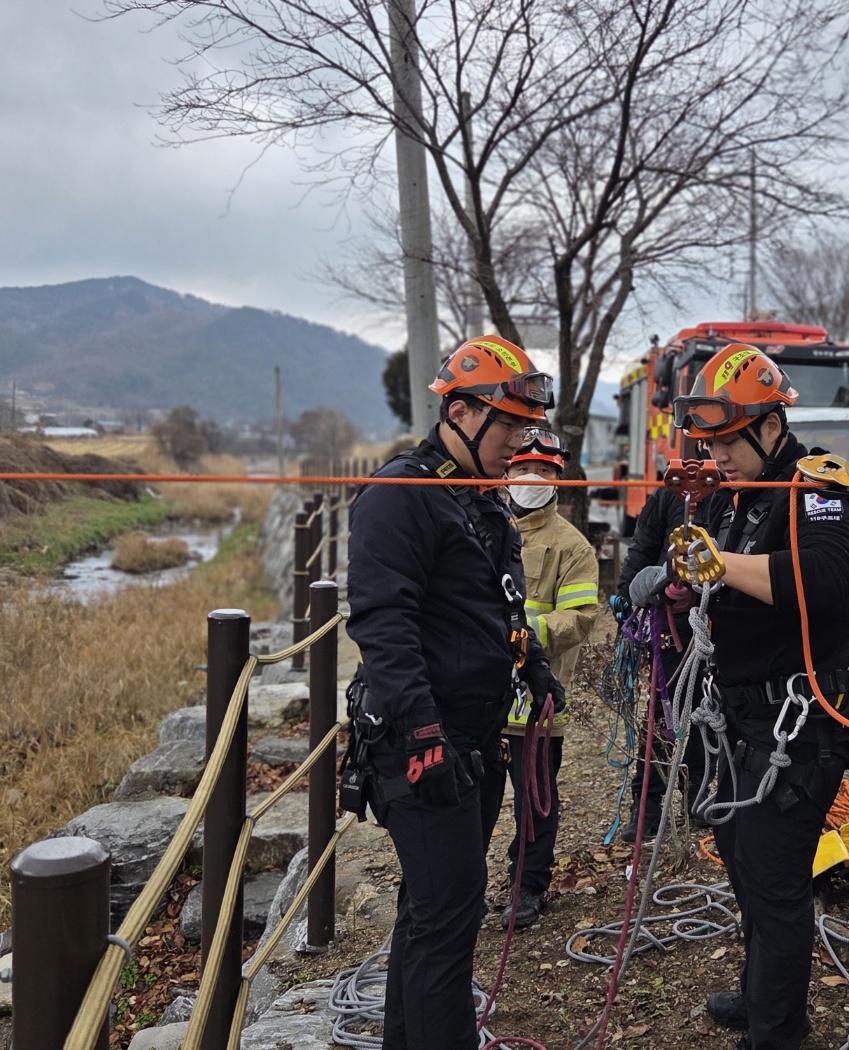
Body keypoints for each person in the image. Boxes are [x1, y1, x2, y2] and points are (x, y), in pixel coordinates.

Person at [344, 335, 566, 1050]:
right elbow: (384, 624)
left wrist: (528, 659)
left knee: (432, 909)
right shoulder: (401, 497)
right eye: (509, 428)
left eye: (527, 429)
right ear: (464, 413)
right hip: (421, 740)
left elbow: (490, 603)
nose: (519, 444)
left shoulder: (476, 498)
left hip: (471, 735)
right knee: (447, 920)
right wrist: (424, 735)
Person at [673, 344, 849, 1050]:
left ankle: (778, 1031)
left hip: (798, 722)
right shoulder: (733, 496)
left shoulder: (815, 490)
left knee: (778, 880)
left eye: (729, 440)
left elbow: (828, 581)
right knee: (742, 861)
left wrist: (721, 564)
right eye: (711, 442)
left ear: (768, 425)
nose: (719, 454)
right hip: (737, 717)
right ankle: (764, 993)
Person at [497, 428, 600, 929]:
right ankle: (462, 885)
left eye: (543, 471)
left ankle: (529, 885)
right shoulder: (483, 527)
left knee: (535, 800)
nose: (530, 479)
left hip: (534, 702)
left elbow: (580, 618)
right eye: (522, 469)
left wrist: (519, 632)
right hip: (476, 698)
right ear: (505, 472)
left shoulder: (571, 547)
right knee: (472, 800)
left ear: (559, 480)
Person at [615, 484, 712, 842]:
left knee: (707, 717)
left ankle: (697, 798)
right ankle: (645, 807)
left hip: (717, 621)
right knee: (661, 714)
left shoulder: (733, 494)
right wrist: (629, 596)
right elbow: (643, 548)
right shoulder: (670, 496)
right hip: (671, 624)